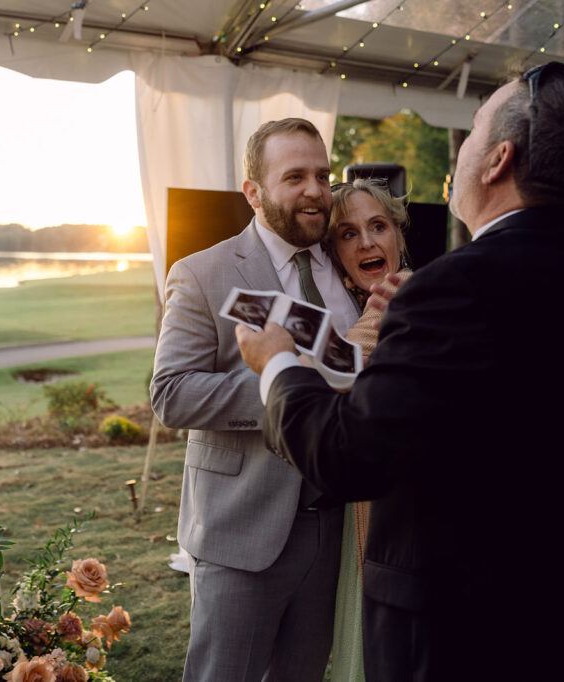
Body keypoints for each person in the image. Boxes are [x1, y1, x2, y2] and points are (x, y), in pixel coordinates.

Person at [236, 63, 564, 681]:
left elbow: (349, 457)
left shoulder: (454, 288)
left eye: (471, 129)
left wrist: (277, 361)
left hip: (479, 638)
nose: (463, 146)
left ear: (497, 160)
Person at [150, 117, 359, 681]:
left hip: (333, 527)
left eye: (322, 175)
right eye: (295, 176)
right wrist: (284, 380)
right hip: (241, 529)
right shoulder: (204, 273)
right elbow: (170, 394)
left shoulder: (349, 265)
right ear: (253, 191)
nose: (315, 190)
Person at [324, 178, 413, 682]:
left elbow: (345, 359)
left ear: (398, 233)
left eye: (378, 226)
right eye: (348, 233)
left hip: (395, 514)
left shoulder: (402, 291)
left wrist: (281, 351)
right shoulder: (353, 302)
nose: (367, 242)